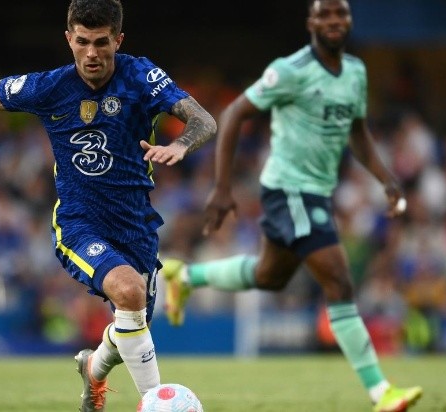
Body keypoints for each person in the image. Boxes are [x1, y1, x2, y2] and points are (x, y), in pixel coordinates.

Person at [161, 1, 422, 411]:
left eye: (341, 14)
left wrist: (386, 178)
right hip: (289, 190)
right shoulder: (290, 70)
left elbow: (356, 132)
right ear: (311, 22)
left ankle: (186, 276)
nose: (335, 22)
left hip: (316, 192)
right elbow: (232, 114)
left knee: (269, 275)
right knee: (339, 282)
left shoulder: (355, 71)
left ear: (349, 21)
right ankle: (381, 392)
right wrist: (223, 187)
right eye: (326, 14)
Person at [0, 1, 216, 410]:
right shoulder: (50, 87)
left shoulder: (141, 76)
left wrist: (181, 145)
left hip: (136, 223)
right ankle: (156, 401)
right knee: (128, 292)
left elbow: (204, 120)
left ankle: (93, 369)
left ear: (118, 39)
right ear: (68, 39)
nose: (91, 53)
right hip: (80, 222)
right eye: (82, 42)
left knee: (132, 322)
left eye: (101, 42)